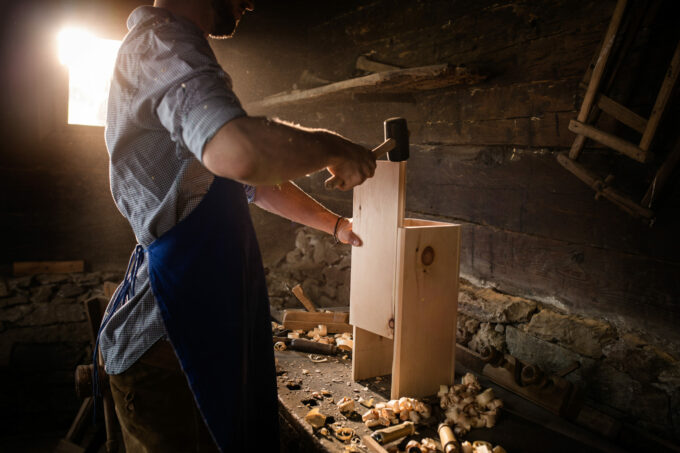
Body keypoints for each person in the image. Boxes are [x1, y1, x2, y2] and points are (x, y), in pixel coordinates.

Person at [99, 1, 376, 452]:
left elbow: (252, 182)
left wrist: (337, 225)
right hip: (162, 350)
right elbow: (240, 152)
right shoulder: (163, 44)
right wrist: (330, 146)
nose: (251, 1)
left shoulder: (174, 49)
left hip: (205, 334)